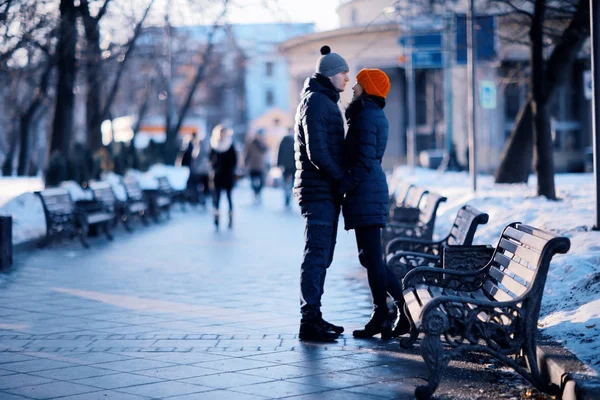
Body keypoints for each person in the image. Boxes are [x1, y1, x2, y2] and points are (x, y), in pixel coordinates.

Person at [339, 68, 410, 339]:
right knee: (368, 257)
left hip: (366, 190)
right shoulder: (367, 113)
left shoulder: (367, 115)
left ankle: (384, 314)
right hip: (366, 190)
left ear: (368, 88)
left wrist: (343, 186)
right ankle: (400, 311)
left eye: (358, 83)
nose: (353, 87)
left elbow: (364, 161)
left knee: (372, 258)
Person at [294, 45, 349, 342]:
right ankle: (309, 321)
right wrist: (341, 178)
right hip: (318, 191)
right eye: (343, 72)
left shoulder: (323, 99)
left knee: (322, 255)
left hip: (324, 190)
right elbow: (318, 152)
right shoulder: (316, 101)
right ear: (329, 74)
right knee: (316, 255)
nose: (348, 78)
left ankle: (315, 315)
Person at [209, 124, 237, 231]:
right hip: (216, 177)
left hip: (228, 176)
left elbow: (234, 160)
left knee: (229, 198)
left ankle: (230, 219)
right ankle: (216, 218)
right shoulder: (213, 145)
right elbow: (210, 159)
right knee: (216, 199)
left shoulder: (230, 145)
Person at [244, 129, 269, 203]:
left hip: (261, 166)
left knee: (261, 182)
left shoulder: (263, 143)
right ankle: (255, 192)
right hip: (252, 165)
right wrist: (245, 163)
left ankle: (258, 193)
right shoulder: (250, 143)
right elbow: (247, 154)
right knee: (252, 181)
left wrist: (261, 142)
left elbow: (266, 150)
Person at [189, 133, 211, 207]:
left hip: (199, 171)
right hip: (206, 171)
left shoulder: (198, 149)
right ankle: (204, 199)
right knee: (205, 187)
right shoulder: (208, 149)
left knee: (200, 186)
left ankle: (202, 200)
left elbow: (195, 160)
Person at [276, 131, 295, 209]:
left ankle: (287, 196)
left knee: (286, 183)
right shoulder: (295, 141)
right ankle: (288, 196)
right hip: (293, 167)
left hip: (285, 166)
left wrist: (279, 164)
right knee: (292, 184)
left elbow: (280, 153)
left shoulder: (283, 141)